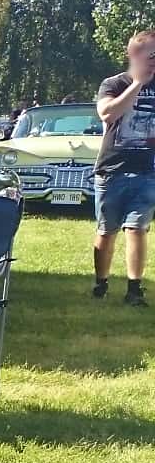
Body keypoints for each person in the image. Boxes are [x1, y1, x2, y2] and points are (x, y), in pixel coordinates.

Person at [93, 29, 155, 306]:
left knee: (137, 228)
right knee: (107, 231)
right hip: (113, 169)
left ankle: (134, 289)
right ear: (133, 54)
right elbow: (107, 113)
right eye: (151, 54)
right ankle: (101, 282)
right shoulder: (114, 84)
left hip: (148, 171)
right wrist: (138, 84)